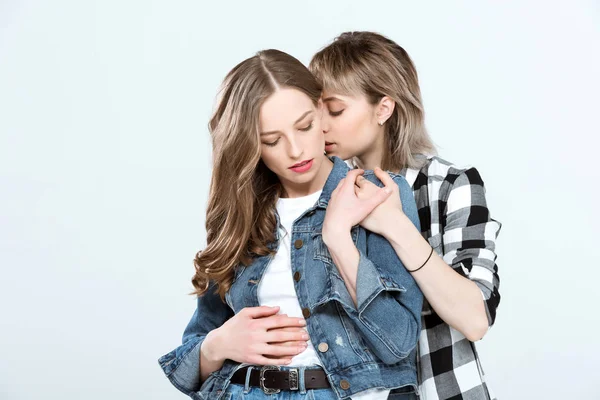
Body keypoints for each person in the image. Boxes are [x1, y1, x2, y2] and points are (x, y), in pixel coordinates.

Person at [158, 49, 424, 399]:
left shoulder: (378, 193)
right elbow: (194, 354)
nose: (296, 150)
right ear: (251, 144)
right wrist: (219, 344)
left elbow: (399, 342)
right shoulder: (241, 212)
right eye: (271, 140)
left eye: (305, 126)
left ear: (321, 111)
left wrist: (338, 239)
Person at [309, 31, 502, 400]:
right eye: (315, 112)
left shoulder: (448, 185)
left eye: (334, 110)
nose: (322, 125)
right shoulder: (320, 192)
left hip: (438, 389)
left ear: (384, 108)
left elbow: (475, 320)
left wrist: (396, 225)